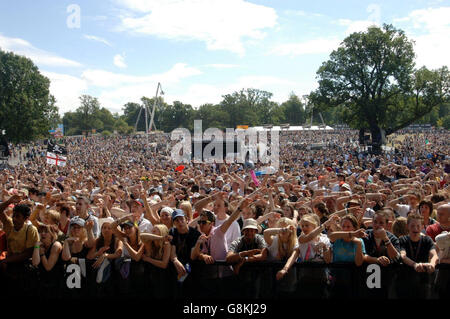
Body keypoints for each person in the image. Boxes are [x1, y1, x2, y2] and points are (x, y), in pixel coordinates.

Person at [0, 195, 39, 296]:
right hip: (9, 265)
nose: (14, 219)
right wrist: (8, 201)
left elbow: (28, 253)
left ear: (26, 218)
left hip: (23, 268)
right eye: (13, 215)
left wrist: (6, 260)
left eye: (18, 216)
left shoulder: (30, 230)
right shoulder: (9, 225)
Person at [397, 212, 438, 298]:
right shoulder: (402, 240)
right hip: (406, 281)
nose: (415, 228)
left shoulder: (427, 240)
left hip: (423, 281)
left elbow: (434, 255)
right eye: (412, 226)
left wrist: (432, 264)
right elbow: (403, 256)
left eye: (418, 226)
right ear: (407, 226)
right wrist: (414, 264)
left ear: (422, 226)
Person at [325, 214, 367, 298]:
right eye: (343, 226)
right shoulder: (336, 238)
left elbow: (359, 263)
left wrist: (358, 243)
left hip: (353, 278)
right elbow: (331, 236)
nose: (345, 229)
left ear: (354, 228)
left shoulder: (359, 241)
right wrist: (352, 234)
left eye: (348, 226)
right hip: (337, 278)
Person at [362, 210, 401, 298]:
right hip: (367, 280)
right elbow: (361, 255)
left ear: (387, 225)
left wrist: (386, 240)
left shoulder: (392, 238)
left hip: (386, 280)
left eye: (381, 223)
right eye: (375, 222)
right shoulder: (365, 236)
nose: (377, 225)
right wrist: (376, 260)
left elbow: (396, 257)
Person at [295, 213, 335, 298]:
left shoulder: (325, 239)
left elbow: (328, 260)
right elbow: (310, 236)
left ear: (314, 226)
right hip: (306, 274)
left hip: (321, 274)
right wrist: (325, 224)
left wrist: (324, 247)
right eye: (302, 226)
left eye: (307, 225)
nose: (304, 228)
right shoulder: (301, 238)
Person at [226, 218, 267, 298]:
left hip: (257, 276)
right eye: (247, 230)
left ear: (255, 231)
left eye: (252, 230)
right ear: (243, 231)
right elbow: (228, 258)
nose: (249, 233)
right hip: (240, 277)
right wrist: (245, 253)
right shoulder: (238, 241)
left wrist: (245, 260)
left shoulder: (260, 239)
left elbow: (264, 255)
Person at [263, 217, 299, 297]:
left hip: (289, 280)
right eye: (280, 227)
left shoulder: (295, 242)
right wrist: (282, 229)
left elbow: (293, 256)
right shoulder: (274, 240)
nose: (284, 230)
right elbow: (265, 232)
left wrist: (284, 270)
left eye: (286, 227)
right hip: (272, 280)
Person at [169, 208, 201, 298]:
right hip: (177, 268)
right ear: (174, 222)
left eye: (181, 219)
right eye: (176, 220)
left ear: (186, 219)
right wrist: (175, 261)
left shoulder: (195, 234)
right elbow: (172, 251)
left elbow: (193, 256)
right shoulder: (172, 232)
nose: (180, 222)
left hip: (192, 269)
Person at [87, 218, 122, 297]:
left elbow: (119, 253)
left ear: (113, 230)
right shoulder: (98, 240)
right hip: (100, 269)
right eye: (104, 227)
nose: (106, 230)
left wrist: (105, 256)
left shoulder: (117, 240)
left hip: (114, 271)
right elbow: (89, 256)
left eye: (109, 228)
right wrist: (98, 253)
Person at [31, 223, 63, 298]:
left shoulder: (56, 245)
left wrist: (42, 254)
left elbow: (48, 267)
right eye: (41, 231)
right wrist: (36, 247)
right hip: (42, 283)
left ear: (52, 234)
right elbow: (35, 263)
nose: (42, 234)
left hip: (54, 285)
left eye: (46, 232)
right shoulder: (39, 245)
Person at [140, 224, 172, 298]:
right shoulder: (150, 243)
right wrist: (160, 238)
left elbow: (164, 264)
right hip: (150, 276)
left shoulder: (166, 244)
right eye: (152, 231)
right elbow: (142, 236)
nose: (152, 233)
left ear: (162, 232)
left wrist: (148, 259)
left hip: (162, 278)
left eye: (154, 231)